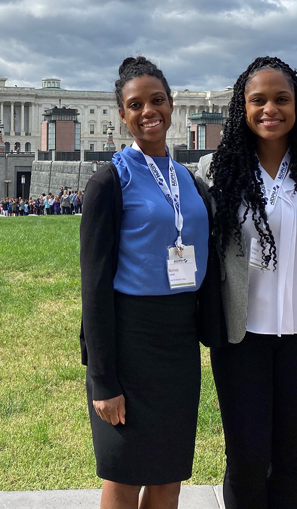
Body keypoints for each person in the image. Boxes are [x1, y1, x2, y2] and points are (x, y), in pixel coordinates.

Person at [197, 57, 297, 509]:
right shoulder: (214, 172)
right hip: (243, 337)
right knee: (245, 457)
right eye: (257, 100)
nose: (270, 109)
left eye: (282, 99)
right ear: (241, 107)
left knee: (291, 458)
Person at [80, 56, 222, 509]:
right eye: (135, 104)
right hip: (129, 338)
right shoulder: (109, 181)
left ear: (172, 105)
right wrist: (103, 378)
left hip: (178, 342)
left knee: (168, 476)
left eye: (156, 100)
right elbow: (95, 283)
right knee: (124, 476)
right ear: (122, 115)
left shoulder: (189, 181)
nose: (148, 112)